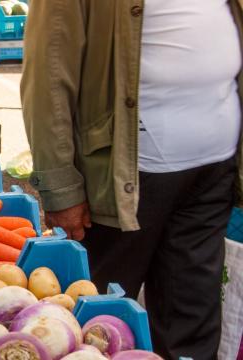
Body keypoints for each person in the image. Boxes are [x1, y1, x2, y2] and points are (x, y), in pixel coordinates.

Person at [21, 1, 243, 359]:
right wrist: (60, 184)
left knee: (193, 322)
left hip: (213, 170)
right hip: (121, 181)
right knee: (99, 328)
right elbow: (47, 72)